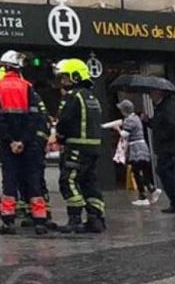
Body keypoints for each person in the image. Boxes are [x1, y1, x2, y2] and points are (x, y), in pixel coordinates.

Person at [0, 50, 48, 235]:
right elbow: (34, 116)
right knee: (32, 179)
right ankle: (39, 219)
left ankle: (8, 221)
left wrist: (10, 141)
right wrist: (24, 140)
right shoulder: (27, 86)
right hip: (28, 143)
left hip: (8, 145)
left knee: (10, 180)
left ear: (5, 67)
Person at [52, 59, 106, 234]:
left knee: (68, 180)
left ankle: (74, 218)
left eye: (65, 77)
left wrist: (58, 137)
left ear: (75, 76)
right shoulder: (92, 97)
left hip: (76, 147)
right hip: (94, 147)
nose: (63, 81)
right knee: (90, 182)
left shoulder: (72, 96)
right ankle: (95, 219)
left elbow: (64, 121)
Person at [147, 89, 175, 213]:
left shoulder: (167, 108)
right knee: (168, 172)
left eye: (151, 93)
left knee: (163, 170)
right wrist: (148, 121)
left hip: (168, 147)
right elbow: (158, 125)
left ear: (158, 93)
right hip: (164, 147)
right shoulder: (159, 108)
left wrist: (162, 137)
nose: (150, 96)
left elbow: (173, 127)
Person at [115, 100, 160, 206]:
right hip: (142, 146)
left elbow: (124, 134)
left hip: (136, 148)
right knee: (144, 169)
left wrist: (117, 128)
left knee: (136, 171)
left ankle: (143, 196)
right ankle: (151, 188)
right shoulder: (136, 118)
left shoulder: (130, 120)